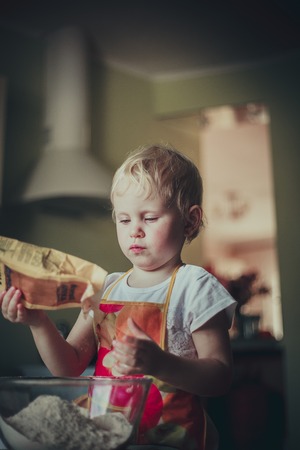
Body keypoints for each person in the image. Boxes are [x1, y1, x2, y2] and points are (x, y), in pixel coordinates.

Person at [0, 143, 236, 450]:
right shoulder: (106, 287)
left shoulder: (195, 286)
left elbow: (220, 377)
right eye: (124, 220)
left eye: (149, 218)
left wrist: (159, 363)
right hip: (107, 438)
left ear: (189, 220)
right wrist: (38, 323)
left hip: (172, 440)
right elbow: (68, 367)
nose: (134, 230)